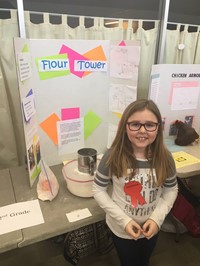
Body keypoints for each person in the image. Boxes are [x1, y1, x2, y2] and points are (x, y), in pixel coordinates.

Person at [93, 99, 178, 266]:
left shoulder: (165, 158)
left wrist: (156, 219)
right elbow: (98, 189)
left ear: (158, 128)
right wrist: (124, 221)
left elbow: (171, 189)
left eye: (149, 125)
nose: (142, 131)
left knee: (144, 260)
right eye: (135, 124)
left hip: (152, 227)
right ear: (125, 126)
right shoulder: (112, 156)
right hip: (121, 229)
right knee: (129, 262)